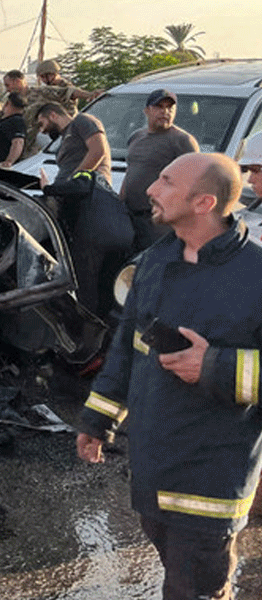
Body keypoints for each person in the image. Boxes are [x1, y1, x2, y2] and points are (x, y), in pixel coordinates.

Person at [77, 152, 262, 600]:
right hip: (155, 465)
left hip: (212, 476)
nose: (149, 189)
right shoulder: (155, 262)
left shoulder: (256, 274)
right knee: (179, 574)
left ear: (203, 203)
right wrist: (97, 420)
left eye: (165, 181)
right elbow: (126, 347)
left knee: (193, 588)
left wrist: (215, 366)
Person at [121, 89, 200, 251]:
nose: (165, 112)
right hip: (131, 217)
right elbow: (130, 172)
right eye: (159, 107)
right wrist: (120, 202)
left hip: (160, 222)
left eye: (170, 108)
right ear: (147, 111)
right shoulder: (136, 137)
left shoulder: (182, 140)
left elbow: (196, 182)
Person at [36, 102, 111, 185]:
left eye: (41, 124)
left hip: (88, 190)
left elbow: (98, 151)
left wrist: (74, 179)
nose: (42, 131)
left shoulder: (82, 120)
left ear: (53, 115)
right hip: (71, 192)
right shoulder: (64, 138)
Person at [35, 59, 101, 117]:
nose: (43, 80)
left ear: (52, 74)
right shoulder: (48, 88)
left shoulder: (64, 86)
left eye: (44, 77)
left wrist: (90, 95)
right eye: (41, 77)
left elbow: (73, 91)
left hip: (69, 121)